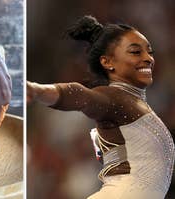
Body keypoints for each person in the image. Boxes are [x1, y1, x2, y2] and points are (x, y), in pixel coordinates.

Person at [27, 15, 175, 199]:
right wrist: (38, 90)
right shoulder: (113, 98)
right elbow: (81, 96)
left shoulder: (135, 102)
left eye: (149, 51)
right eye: (136, 52)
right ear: (108, 62)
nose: (148, 59)